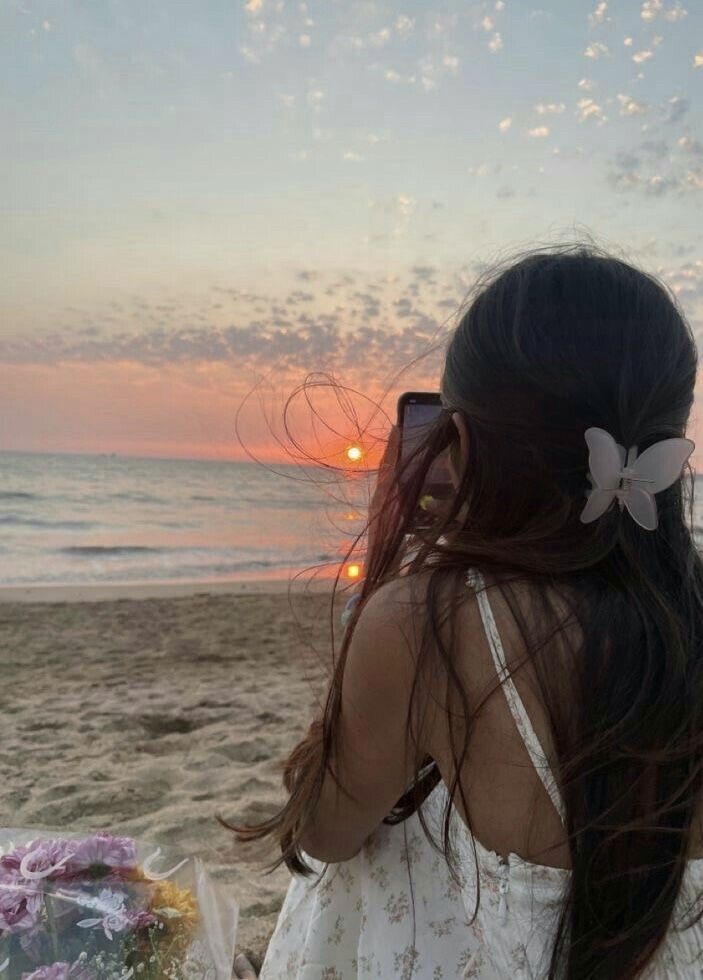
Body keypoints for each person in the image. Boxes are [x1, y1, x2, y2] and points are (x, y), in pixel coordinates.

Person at [229, 243, 703, 978]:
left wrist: (390, 545)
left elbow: (323, 833)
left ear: (463, 438)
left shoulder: (431, 621)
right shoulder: (684, 615)